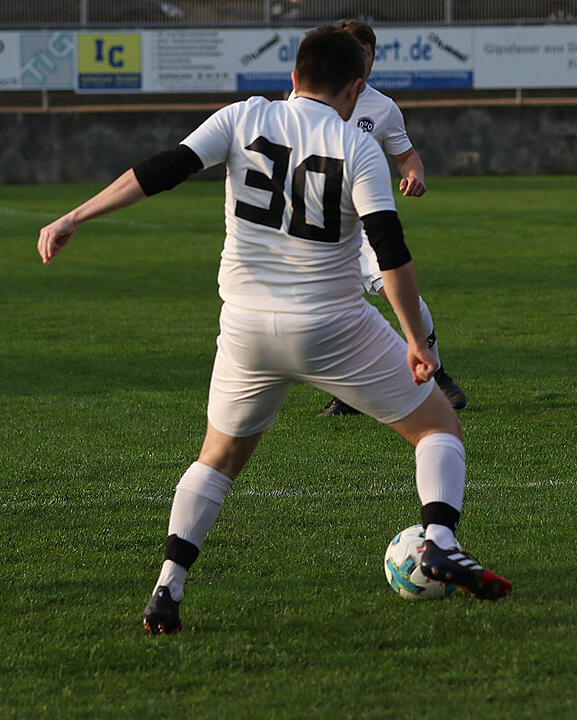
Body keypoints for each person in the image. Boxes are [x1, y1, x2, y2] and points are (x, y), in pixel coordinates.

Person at [36, 25, 511, 636]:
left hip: (246, 330)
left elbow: (162, 169)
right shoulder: (355, 144)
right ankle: (438, 538)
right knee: (436, 427)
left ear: (293, 76)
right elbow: (389, 252)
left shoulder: (242, 117)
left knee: (219, 457)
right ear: (356, 86)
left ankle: (167, 587)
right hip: (332, 326)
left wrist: (75, 215)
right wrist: (419, 342)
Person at [317, 19, 467, 416]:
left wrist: (414, 174)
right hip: (315, 224)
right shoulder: (309, 98)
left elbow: (406, 157)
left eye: (366, 54)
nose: (360, 60)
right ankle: (349, 391)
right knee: (324, 309)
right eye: (353, 52)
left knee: (400, 296)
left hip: (366, 223)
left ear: (373, 57)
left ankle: (435, 374)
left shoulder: (383, 108)